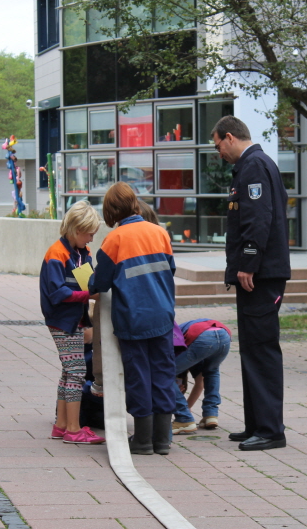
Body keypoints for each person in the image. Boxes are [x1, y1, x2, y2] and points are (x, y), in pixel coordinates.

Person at [211, 115, 291, 451]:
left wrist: (248, 263)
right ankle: (257, 423)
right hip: (259, 273)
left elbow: (258, 219)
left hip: (261, 275)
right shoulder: (251, 165)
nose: (219, 153)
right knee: (253, 350)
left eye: (218, 146)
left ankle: (271, 430)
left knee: (262, 350)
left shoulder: (255, 165)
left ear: (230, 137)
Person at [90, 182, 177, 456]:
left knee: (139, 377)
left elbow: (100, 283)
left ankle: (142, 441)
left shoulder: (114, 240)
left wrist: (88, 279)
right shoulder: (160, 233)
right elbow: (170, 269)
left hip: (133, 319)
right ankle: (163, 440)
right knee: (163, 374)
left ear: (112, 210)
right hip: (163, 315)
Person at [40, 200, 105, 445]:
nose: (91, 239)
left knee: (69, 371)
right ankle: (74, 429)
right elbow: (58, 294)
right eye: (89, 234)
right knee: (77, 373)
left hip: (73, 320)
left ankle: (62, 425)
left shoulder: (79, 253)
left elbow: (88, 282)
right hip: (62, 321)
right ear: (77, 229)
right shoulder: (58, 253)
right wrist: (89, 295)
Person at [171, 319, 231, 434]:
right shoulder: (192, 354)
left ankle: (184, 419)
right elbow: (200, 384)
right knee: (212, 371)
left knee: (165, 376)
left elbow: (168, 376)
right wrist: (187, 407)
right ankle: (211, 415)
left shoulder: (178, 350)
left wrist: (185, 411)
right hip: (224, 335)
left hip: (201, 337)